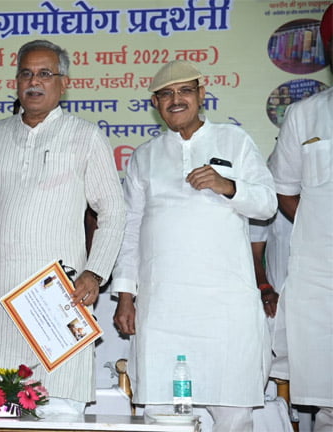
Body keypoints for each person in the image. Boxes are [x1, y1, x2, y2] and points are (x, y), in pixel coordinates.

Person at [0, 39, 126, 416]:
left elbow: (114, 211)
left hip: (55, 298)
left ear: (64, 83)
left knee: (57, 409)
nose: (34, 81)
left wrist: (95, 272)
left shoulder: (85, 135)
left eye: (44, 74)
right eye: (26, 73)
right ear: (16, 82)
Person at [112, 60, 277, 432]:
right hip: (162, 308)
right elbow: (130, 229)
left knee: (234, 414)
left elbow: (267, 204)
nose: (176, 100)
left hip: (226, 306)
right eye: (166, 94)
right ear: (155, 103)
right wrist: (125, 295)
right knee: (160, 413)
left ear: (202, 95)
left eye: (185, 91)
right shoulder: (144, 156)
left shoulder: (234, 141)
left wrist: (227, 186)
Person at [267, 6, 333, 430]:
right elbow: (284, 189)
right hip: (323, 278)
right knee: (329, 403)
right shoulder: (305, 114)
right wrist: (318, 223)